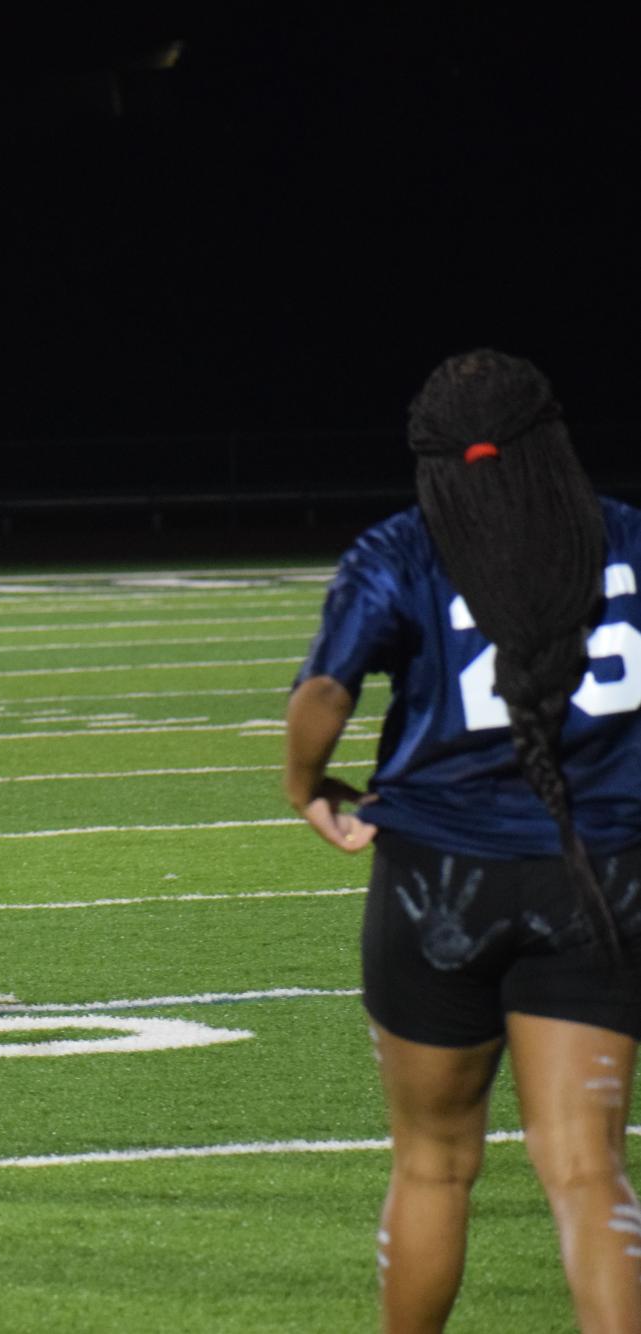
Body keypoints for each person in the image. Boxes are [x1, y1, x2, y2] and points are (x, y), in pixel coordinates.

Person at [285, 349, 641, 1333]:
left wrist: (303, 783)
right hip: (601, 873)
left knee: (435, 1160)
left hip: (437, 877)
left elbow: (323, 695)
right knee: (584, 1167)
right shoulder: (628, 539)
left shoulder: (403, 547)